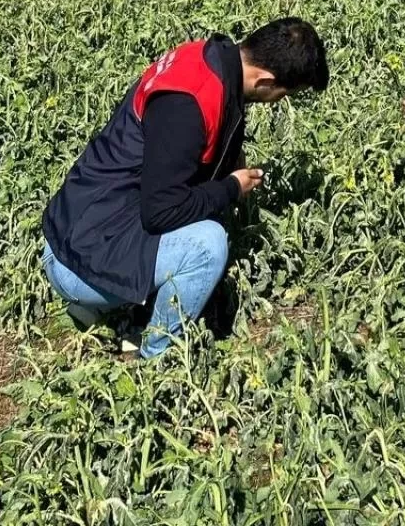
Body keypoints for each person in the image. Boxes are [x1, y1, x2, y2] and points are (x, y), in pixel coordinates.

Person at [42, 18, 329, 359]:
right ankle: (153, 356)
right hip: (75, 261)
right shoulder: (188, 105)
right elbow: (161, 211)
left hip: (84, 226)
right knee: (208, 245)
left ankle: (106, 308)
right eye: (283, 95)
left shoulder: (207, 59)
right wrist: (230, 188)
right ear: (265, 81)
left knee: (201, 217)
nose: (277, 102)